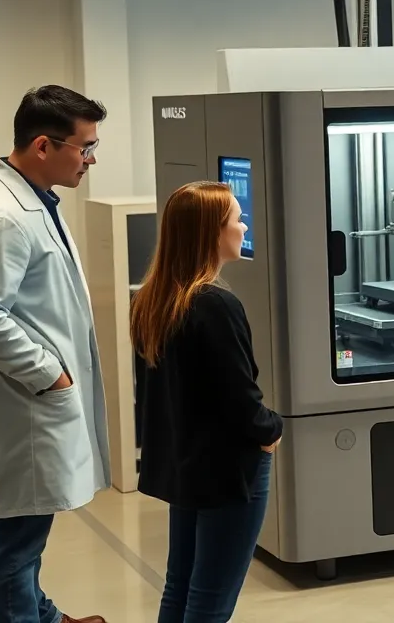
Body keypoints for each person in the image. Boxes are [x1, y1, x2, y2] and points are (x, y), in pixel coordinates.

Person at [0, 85, 111, 623]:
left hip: (25, 404)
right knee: (17, 546)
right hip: (27, 407)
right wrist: (51, 376)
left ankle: (39, 616)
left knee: (6, 533)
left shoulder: (29, 199)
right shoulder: (5, 217)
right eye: (84, 147)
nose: (90, 159)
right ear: (43, 145)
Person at [132, 181, 284, 623]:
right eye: (237, 218)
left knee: (180, 586)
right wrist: (271, 430)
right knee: (212, 600)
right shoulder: (215, 304)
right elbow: (240, 398)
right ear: (212, 233)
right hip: (228, 471)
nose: (244, 225)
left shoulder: (153, 300)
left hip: (187, 466)